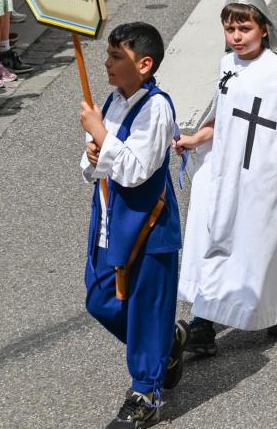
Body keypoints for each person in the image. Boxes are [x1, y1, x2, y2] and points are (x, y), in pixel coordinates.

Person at [175, 0, 277, 354]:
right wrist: (196, 138)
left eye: (244, 29)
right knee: (210, 238)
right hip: (222, 172)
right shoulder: (228, 64)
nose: (237, 37)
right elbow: (223, 115)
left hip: (259, 176)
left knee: (256, 245)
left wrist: (270, 181)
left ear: (264, 29)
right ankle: (203, 324)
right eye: (230, 30)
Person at [80, 21, 187, 428]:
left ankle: (145, 392)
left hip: (149, 226)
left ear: (143, 64)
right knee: (100, 300)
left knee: (146, 307)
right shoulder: (112, 101)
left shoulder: (157, 107)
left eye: (115, 57)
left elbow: (138, 169)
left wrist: (99, 136)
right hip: (111, 220)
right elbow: (95, 164)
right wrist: (92, 157)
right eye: (107, 54)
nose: (106, 63)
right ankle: (165, 346)